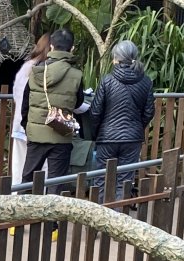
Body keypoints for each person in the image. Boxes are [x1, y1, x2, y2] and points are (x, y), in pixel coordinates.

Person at [90, 40, 155, 204]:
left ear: (116, 59)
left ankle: (98, 221)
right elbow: (149, 112)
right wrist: (137, 127)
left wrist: (96, 133)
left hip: (107, 138)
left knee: (101, 180)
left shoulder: (107, 80)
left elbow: (96, 111)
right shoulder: (146, 81)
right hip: (132, 139)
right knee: (124, 182)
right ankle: (118, 222)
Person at [21, 28, 85, 189]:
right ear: (72, 49)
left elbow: (25, 105)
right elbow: (78, 103)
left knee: (28, 180)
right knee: (56, 183)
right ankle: (51, 215)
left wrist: (27, 128)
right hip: (61, 134)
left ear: (51, 47)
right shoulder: (76, 75)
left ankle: (24, 213)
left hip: (35, 135)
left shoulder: (36, 71)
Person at [10, 33, 51, 187]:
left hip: (20, 125)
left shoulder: (26, 67)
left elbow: (15, 94)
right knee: (42, 170)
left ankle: (15, 202)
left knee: (18, 169)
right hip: (39, 128)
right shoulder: (46, 69)